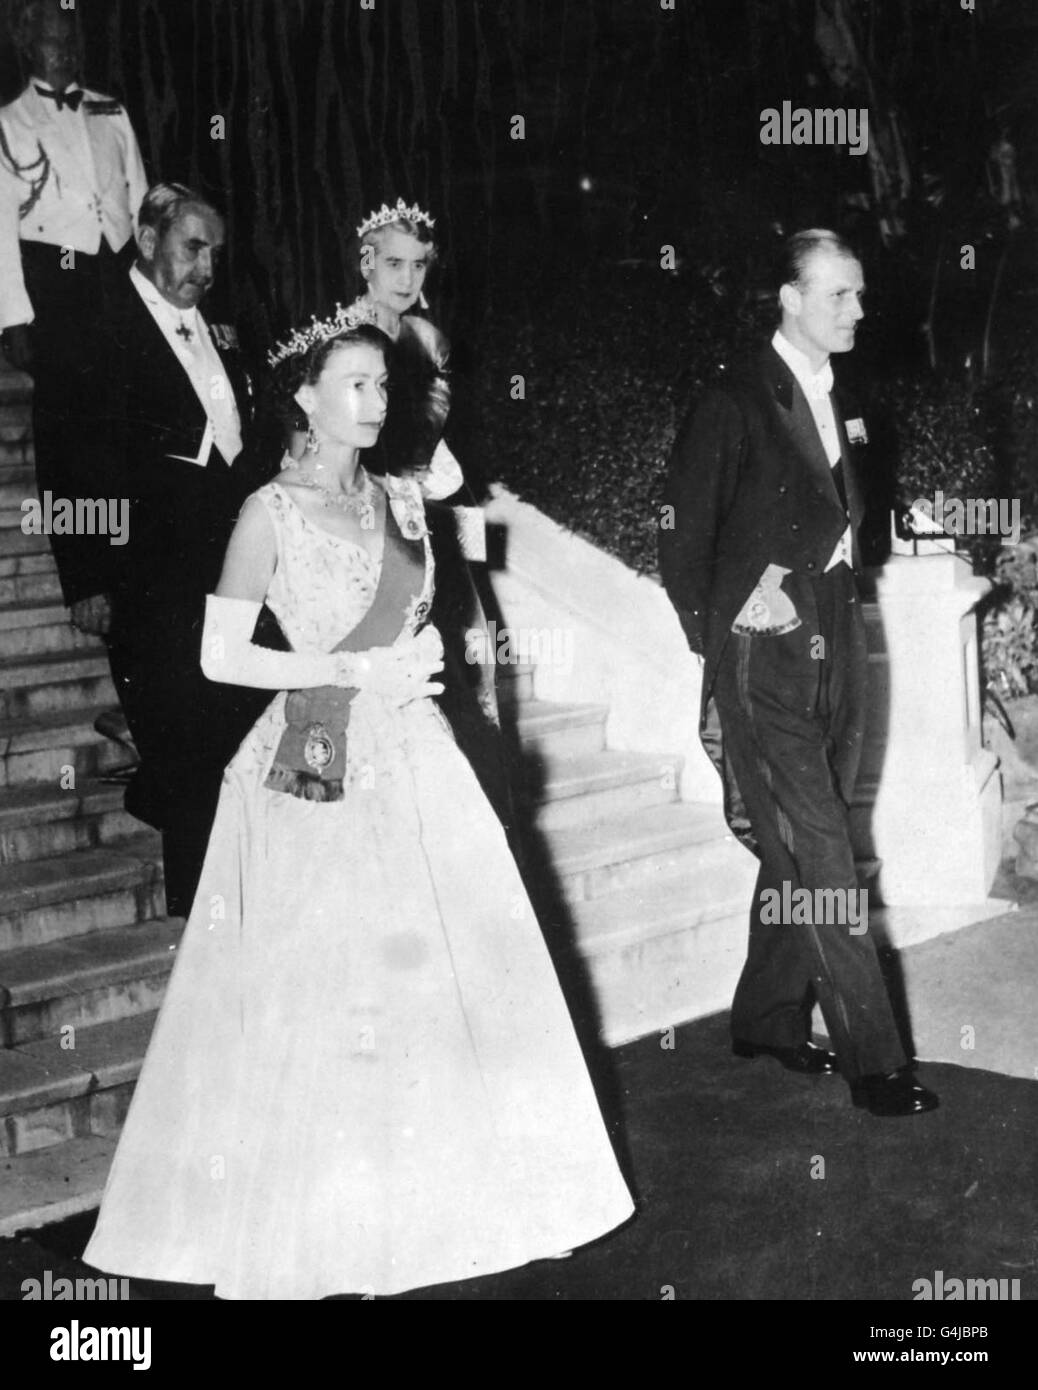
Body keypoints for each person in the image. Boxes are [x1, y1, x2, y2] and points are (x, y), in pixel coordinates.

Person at [82, 308, 634, 1299]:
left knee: (453, 964)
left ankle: (450, 1199)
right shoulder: (268, 510)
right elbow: (220, 654)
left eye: (387, 384)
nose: (377, 402)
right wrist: (350, 664)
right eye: (356, 383)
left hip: (415, 746)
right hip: (318, 738)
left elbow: (440, 561)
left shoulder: (405, 501)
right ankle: (330, 1213)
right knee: (328, 974)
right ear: (304, 393)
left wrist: (416, 664)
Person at [659, 228, 939, 1119]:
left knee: (805, 832)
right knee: (823, 848)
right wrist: (737, 616)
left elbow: (840, 514)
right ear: (789, 297)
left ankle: (770, 1018)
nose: (857, 311)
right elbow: (678, 536)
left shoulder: (840, 397)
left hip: (835, 630)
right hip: (765, 649)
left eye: (859, 296)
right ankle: (879, 1064)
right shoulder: (733, 400)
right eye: (839, 296)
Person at [89, 182, 274, 917]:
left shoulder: (223, 327)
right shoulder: (97, 324)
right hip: (149, 577)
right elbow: (71, 454)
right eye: (192, 247)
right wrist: (88, 576)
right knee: (185, 739)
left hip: (229, 568)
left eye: (216, 254)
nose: (206, 267)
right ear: (146, 238)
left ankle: (239, 889)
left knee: (231, 730)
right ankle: (197, 914)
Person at [0, 0, 147, 619]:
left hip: (116, 272)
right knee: (66, 429)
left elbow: (142, 202)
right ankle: (85, 575)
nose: (61, 50)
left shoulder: (110, 110)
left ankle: (139, 560)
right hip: (54, 279)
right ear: (27, 48)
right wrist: (13, 317)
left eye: (68, 41)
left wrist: (154, 284)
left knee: (130, 418)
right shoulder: (8, 121)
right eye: (48, 41)